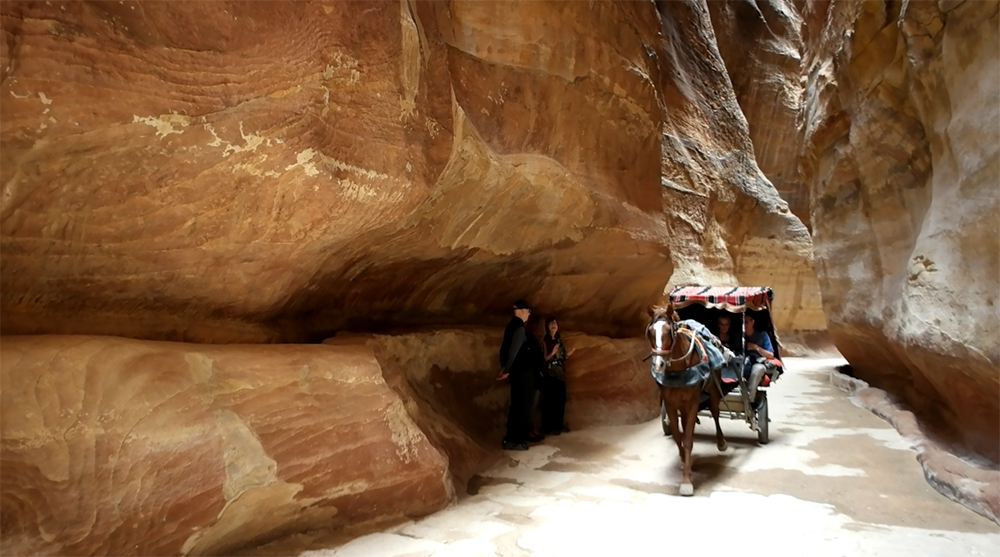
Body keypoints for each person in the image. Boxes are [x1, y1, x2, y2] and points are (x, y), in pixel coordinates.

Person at [497, 299, 544, 450]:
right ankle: (513, 440)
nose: (529, 315)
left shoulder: (511, 326)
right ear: (523, 310)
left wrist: (506, 368)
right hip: (522, 374)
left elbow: (504, 350)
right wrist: (506, 370)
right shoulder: (519, 328)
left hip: (518, 373)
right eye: (529, 312)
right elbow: (513, 352)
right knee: (520, 406)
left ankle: (515, 437)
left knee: (517, 405)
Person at [539, 317, 568, 436]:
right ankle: (547, 427)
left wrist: (567, 355)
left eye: (555, 323)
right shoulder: (544, 341)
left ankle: (558, 426)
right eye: (551, 324)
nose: (553, 326)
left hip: (559, 374)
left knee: (560, 400)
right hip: (549, 374)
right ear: (547, 327)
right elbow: (543, 359)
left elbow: (562, 356)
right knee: (549, 401)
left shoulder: (559, 341)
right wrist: (552, 353)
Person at [743, 314, 774, 403]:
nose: (744, 324)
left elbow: (770, 355)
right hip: (742, 361)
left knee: (757, 370)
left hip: (758, 362)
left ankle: (749, 400)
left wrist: (756, 347)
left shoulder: (762, 335)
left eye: (746, 322)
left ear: (752, 322)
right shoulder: (738, 335)